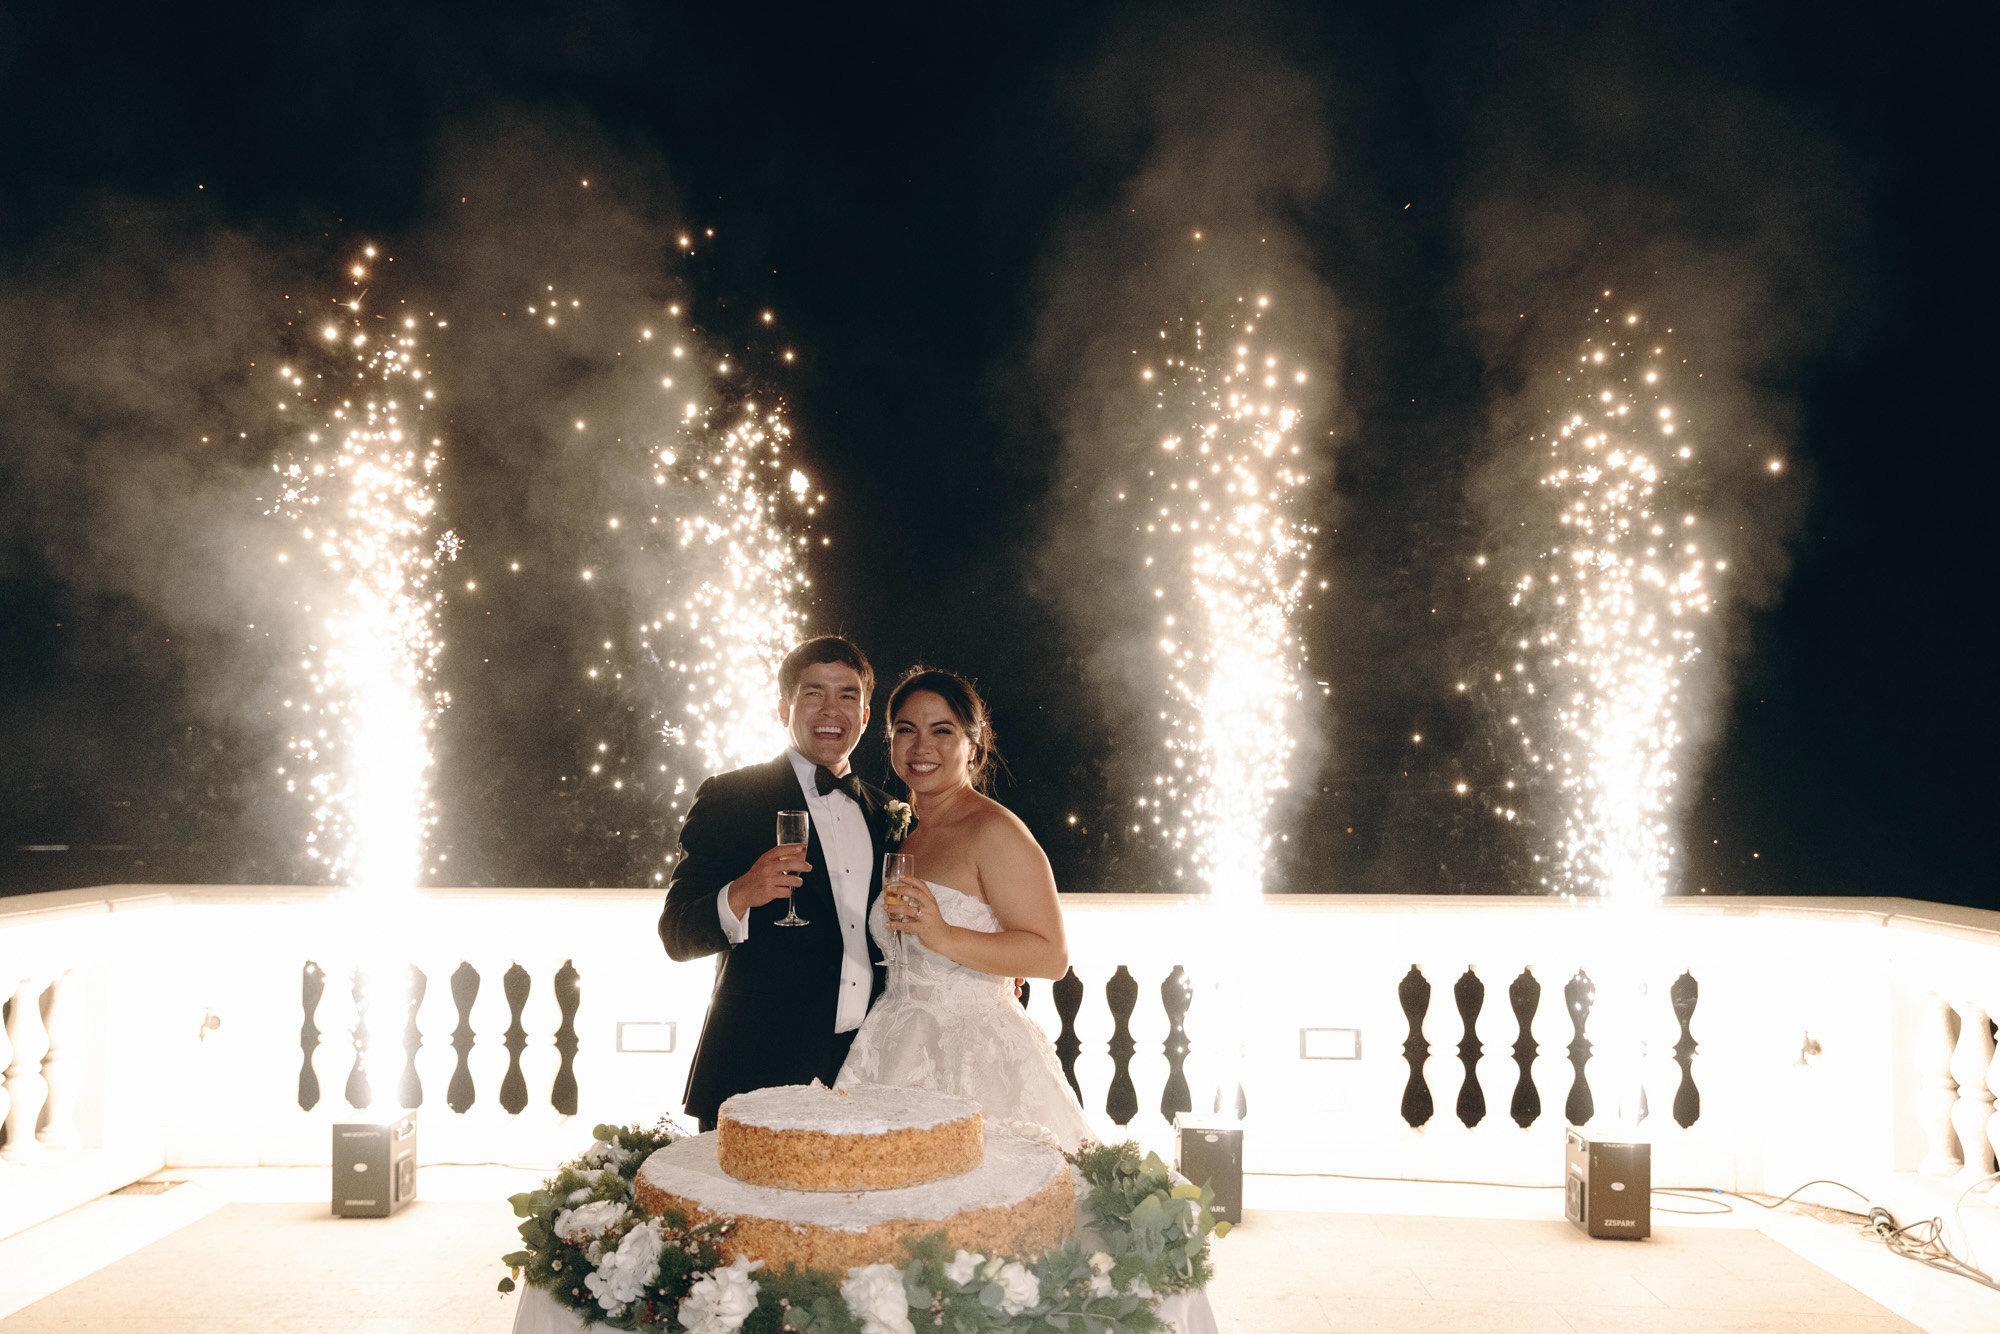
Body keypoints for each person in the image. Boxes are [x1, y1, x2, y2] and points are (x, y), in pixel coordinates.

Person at [838, 666, 1094, 1151]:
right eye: (906, 731)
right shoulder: (908, 833)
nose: (921, 747)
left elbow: (1051, 957)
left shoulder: (994, 832)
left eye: (942, 731)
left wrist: (946, 937)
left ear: (972, 746)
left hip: (972, 1055)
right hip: (891, 1042)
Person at [659, 635, 893, 1131]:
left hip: (867, 1075)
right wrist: (745, 891)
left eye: (847, 695)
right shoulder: (731, 796)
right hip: (755, 1073)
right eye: (814, 693)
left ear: (866, 715)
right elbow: (676, 934)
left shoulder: (886, 812)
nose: (831, 709)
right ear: (783, 707)